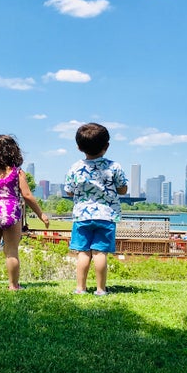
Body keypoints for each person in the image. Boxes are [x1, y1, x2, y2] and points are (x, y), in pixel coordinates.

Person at [0, 134, 50, 291]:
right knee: (11, 251)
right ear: (13, 151)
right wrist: (41, 214)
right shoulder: (17, 173)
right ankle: (13, 286)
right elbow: (27, 195)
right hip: (10, 212)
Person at [63, 122, 128, 296]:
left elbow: (68, 190)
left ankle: (80, 288)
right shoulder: (114, 167)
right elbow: (123, 189)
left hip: (82, 216)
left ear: (78, 147)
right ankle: (100, 289)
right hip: (106, 216)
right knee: (100, 253)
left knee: (83, 253)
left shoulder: (75, 167)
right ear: (106, 146)